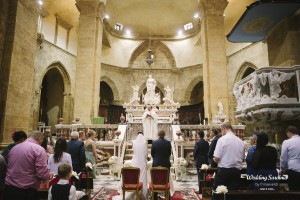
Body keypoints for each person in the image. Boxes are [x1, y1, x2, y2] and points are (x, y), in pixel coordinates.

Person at [4, 130, 52, 200]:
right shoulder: (39, 149)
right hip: (25, 192)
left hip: (9, 189)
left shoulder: (14, 148)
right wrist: (49, 176)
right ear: (40, 138)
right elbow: (42, 173)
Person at [213, 122, 245, 190]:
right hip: (236, 172)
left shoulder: (222, 139)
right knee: (233, 193)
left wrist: (214, 160)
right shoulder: (240, 141)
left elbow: (217, 157)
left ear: (224, 129)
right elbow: (242, 158)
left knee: (218, 192)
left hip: (224, 171)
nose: (221, 133)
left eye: (221, 130)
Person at [151, 130, 171, 200]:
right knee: (166, 180)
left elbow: (152, 153)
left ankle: (155, 196)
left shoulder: (154, 142)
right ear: (164, 134)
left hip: (156, 163)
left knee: (155, 180)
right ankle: (166, 195)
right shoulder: (168, 143)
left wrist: (156, 159)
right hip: (165, 163)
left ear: (158, 134)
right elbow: (169, 153)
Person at [280, 126, 300, 190]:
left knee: (294, 192)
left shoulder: (287, 142)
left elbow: (283, 158)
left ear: (289, 132)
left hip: (294, 171)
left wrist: (282, 170)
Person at [131, 132, 148, 200]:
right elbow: (146, 153)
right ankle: (142, 193)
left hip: (135, 161)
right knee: (142, 177)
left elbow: (133, 151)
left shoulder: (134, 142)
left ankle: (133, 192)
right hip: (142, 162)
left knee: (134, 176)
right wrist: (146, 158)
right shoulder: (144, 142)